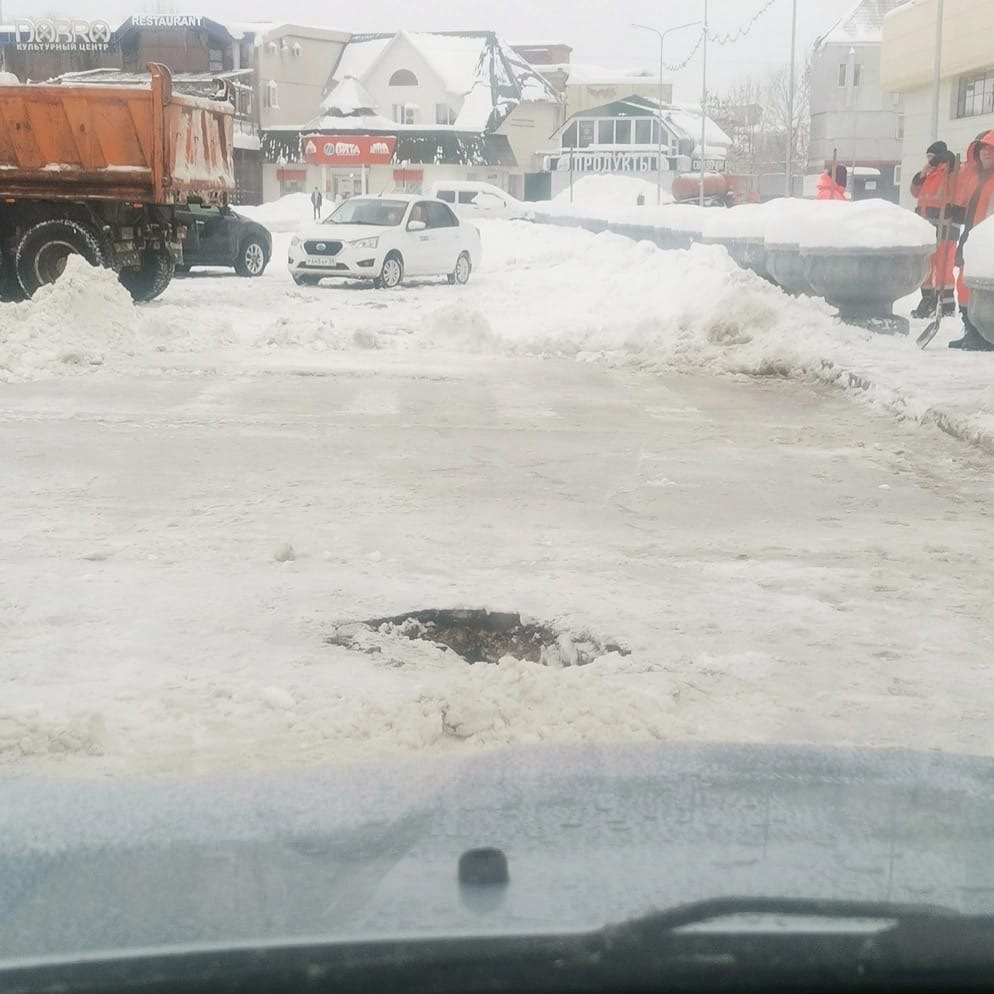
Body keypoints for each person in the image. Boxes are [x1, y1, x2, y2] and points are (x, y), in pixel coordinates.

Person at [946, 130, 994, 350]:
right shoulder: (978, 179)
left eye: (991, 149)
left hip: (989, 242)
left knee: (983, 288)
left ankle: (986, 335)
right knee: (964, 284)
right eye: (983, 149)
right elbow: (972, 209)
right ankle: (972, 331)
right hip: (973, 238)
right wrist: (956, 212)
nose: (987, 153)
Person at [909, 140, 959, 318]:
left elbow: (957, 182)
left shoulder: (949, 172)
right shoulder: (928, 175)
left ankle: (946, 303)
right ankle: (928, 299)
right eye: (927, 157)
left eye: (931, 157)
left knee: (944, 266)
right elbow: (914, 192)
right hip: (928, 227)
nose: (928, 160)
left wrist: (950, 162)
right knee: (928, 265)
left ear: (939, 157)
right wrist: (921, 176)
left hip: (945, 225)